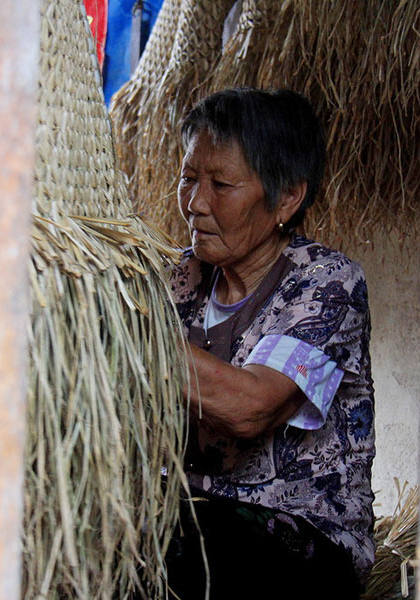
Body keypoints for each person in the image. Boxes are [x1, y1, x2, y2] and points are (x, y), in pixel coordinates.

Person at [165, 88, 375, 599]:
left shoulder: (326, 284)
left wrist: (122, 335)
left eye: (220, 184)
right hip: (189, 520)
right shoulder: (178, 279)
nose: (195, 203)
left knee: (183, 544)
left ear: (286, 198)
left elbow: (251, 407)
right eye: (189, 178)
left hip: (300, 539)